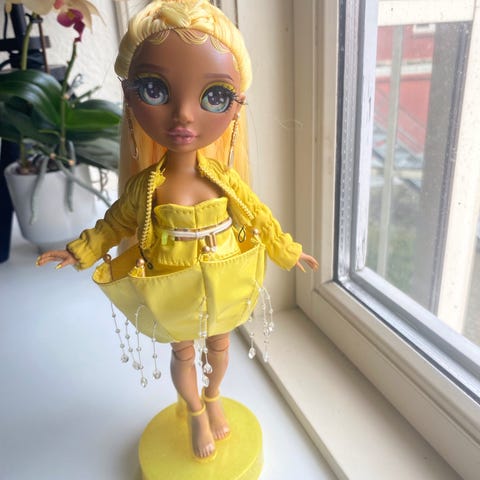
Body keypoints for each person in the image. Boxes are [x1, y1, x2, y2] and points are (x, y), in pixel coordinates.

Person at [36, 0, 318, 462]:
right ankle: (195, 410)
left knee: (221, 345)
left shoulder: (223, 179)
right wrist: (79, 251)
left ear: (235, 106)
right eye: (155, 89)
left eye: (215, 96)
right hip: (172, 282)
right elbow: (115, 224)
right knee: (184, 353)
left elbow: (258, 216)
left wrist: (287, 251)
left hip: (225, 279)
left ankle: (213, 396)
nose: (184, 116)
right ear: (129, 95)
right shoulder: (147, 186)